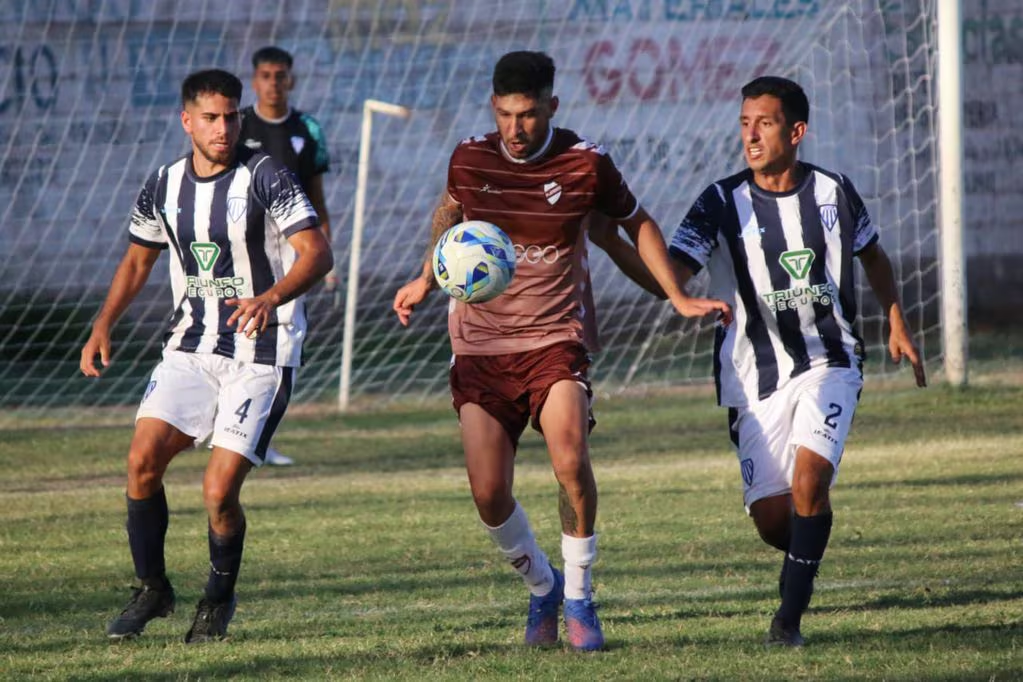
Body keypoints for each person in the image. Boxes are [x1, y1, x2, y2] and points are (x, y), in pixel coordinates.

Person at [392, 51, 730, 652]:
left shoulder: (585, 163)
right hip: (479, 348)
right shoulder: (470, 157)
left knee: (570, 458)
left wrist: (676, 295)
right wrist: (426, 276)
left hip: (555, 341)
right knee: (489, 495)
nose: (514, 130)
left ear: (551, 105)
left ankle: (579, 596)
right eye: (504, 115)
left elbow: (637, 223)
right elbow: (450, 212)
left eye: (526, 115)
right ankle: (543, 586)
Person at [666, 76, 927, 646]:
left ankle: (787, 621)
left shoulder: (835, 192)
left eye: (764, 122)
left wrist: (896, 317)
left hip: (829, 361)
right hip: (752, 378)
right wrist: (669, 284)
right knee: (775, 521)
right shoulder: (719, 200)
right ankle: (813, 535)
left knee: (810, 481)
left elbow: (874, 256)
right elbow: (674, 263)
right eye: (744, 123)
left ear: (796, 130)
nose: (751, 135)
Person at [80, 68, 333, 643]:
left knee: (219, 491)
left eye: (231, 116)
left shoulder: (266, 175)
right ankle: (153, 589)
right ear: (187, 120)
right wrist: (103, 324)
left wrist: (271, 297)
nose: (223, 128)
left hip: (263, 352)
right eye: (212, 118)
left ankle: (217, 599)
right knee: (142, 460)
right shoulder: (162, 184)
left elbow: (316, 253)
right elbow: (138, 261)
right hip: (191, 346)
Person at [239, 46, 334, 466]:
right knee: (234, 335)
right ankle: (225, 427)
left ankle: (258, 435)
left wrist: (326, 254)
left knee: (282, 341)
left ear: (290, 80)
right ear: (255, 80)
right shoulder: (237, 124)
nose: (273, 83)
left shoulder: (307, 127)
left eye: (281, 75)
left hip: (293, 250)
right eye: (265, 75)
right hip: (242, 246)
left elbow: (317, 198)